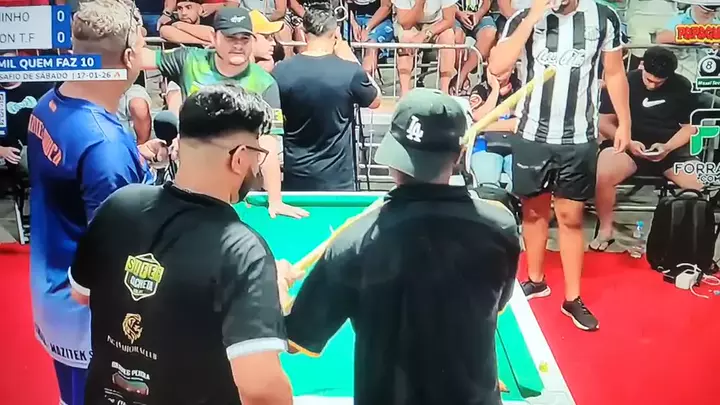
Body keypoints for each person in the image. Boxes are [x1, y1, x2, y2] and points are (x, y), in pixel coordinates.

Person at [279, 88, 520, 405]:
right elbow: (493, 305)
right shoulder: (501, 226)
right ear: (460, 154)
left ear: (392, 158)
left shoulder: (354, 242)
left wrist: (277, 291)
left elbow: (295, 337)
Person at [69, 85, 292, 405]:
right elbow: (260, 388)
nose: (256, 165)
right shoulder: (242, 250)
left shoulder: (118, 205)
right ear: (240, 158)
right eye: (257, 154)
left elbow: (81, 294)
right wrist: (268, 297)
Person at [27, 1, 169, 404]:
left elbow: (76, 181)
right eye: (143, 45)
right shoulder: (104, 145)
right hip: (89, 318)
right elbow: (119, 253)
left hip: (51, 296)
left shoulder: (49, 104)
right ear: (127, 56)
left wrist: (135, 160)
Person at [488, 0, 630, 331]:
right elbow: (497, 66)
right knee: (533, 212)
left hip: (578, 137)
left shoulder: (603, 16)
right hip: (531, 134)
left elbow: (614, 72)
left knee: (571, 217)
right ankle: (535, 280)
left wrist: (624, 122)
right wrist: (533, 17)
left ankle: (572, 298)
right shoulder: (524, 17)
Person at [141, 6, 307, 219]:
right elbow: (136, 58)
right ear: (214, 37)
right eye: (230, 38)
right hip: (189, 186)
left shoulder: (265, 83)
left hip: (239, 189)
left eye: (244, 39)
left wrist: (275, 199)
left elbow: (268, 143)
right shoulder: (190, 61)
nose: (238, 45)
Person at [592, 47, 703, 251]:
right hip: (628, 144)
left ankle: (684, 239)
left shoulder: (682, 86)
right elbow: (603, 122)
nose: (652, 85)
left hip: (668, 148)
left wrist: (667, 147)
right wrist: (628, 141)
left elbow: (690, 127)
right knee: (605, 173)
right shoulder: (624, 82)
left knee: (700, 182)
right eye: (649, 79)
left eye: (658, 82)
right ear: (642, 66)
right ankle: (606, 229)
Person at [272, 3, 381, 191]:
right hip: (338, 181)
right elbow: (375, 100)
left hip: (296, 176)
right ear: (335, 32)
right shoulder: (350, 71)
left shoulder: (281, 70)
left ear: (304, 32)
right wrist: (351, 58)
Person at [392, 0, 456, 95]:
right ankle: (404, 93)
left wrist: (425, 34)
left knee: (448, 36)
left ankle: (445, 92)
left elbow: (449, 20)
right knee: (406, 39)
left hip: (436, 23)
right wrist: (419, 3)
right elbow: (405, 23)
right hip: (411, 23)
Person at [345, 0, 394, 76]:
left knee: (371, 44)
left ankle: (365, 79)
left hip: (380, 20)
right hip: (352, 18)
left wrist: (367, 28)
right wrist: (353, 24)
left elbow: (386, 6)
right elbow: (343, 5)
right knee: (339, 39)